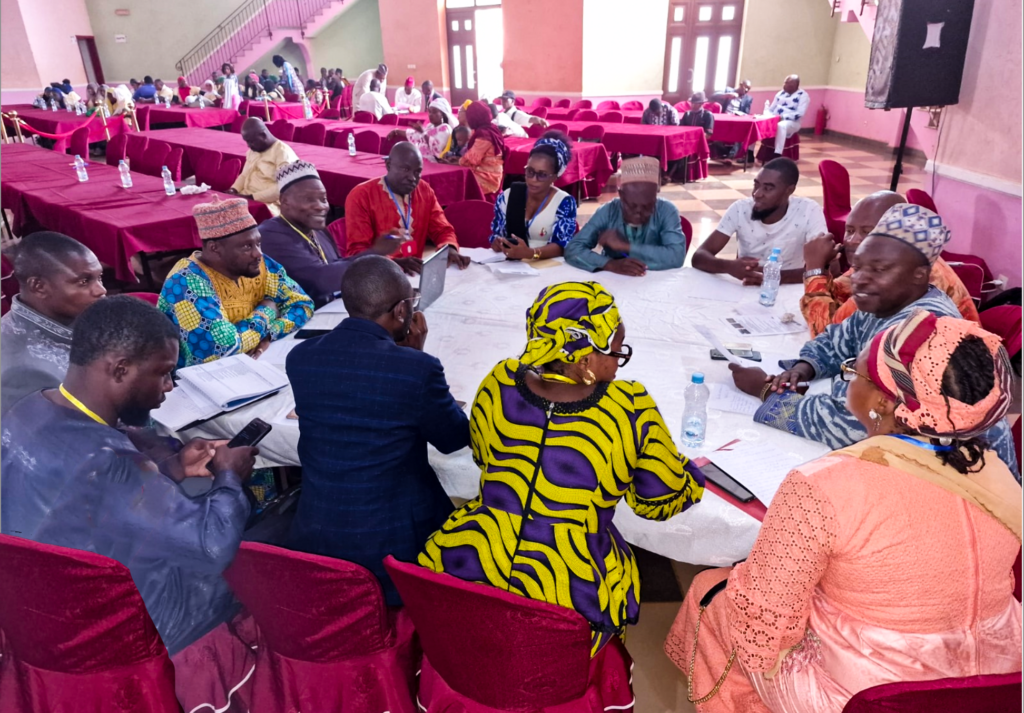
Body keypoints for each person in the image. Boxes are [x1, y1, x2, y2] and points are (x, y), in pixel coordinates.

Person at [666, 309, 1022, 713]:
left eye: (854, 373)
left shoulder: (825, 485)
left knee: (712, 592)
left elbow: (764, 626)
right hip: (998, 685)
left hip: (872, 697)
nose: (849, 382)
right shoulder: (999, 475)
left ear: (882, 402)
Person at [0, 296, 259, 711]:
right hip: (143, 632)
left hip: (46, 618)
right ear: (120, 369)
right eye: (163, 372)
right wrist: (230, 476)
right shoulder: (110, 460)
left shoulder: (28, 408)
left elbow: (82, 498)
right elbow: (211, 546)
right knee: (250, 563)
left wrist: (171, 469)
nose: (169, 386)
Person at [419, 282, 705, 655]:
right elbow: (658, 502)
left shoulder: (500, 381)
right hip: (571, 590)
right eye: (616, 352)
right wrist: (688, 472)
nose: (618, 362)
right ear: (584, 358)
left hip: (471, 563)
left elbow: (483, 456)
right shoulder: (629, 407)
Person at [727, 203, 1019, 480]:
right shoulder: (887, 302)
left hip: (966, 485)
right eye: (858, 268)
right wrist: (803, 368)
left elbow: (853, 424)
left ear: (920, 274)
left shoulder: (918, 335)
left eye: (879, 270)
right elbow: (836, 339)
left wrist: (765, 390)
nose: (860, 280)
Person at [287, 255, 469, 605]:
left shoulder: (301, 357)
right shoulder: (417, 370)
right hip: (394, 548)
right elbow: (453, 439)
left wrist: (408, 361)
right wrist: (415, 356)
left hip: (317, 532)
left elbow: (357, 392)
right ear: (401, 311)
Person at [159, 197, 313, 367]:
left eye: (258, 243)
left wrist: (269, 333)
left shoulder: (258, 265)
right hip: (198, 378)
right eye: (247, 246)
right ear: (214, 248)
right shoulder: (186, 281)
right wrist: (267, 311)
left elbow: (303, 305)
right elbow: (222, 350)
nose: (258, 253)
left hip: (251, 365)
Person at [801, 191, 980, 338]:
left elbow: (827, 334)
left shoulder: (900, 272)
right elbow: (841, 295)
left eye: (867, 231)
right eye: (849, 230)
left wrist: (814, 269)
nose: (852, 240)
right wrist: (825, 270)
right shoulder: (892, 254)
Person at [1, 232, 106, 416]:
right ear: (39, 287)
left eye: (99, 278)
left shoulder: (77, 314)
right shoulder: (23, 371)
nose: (101, 290)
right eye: (84, 281)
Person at [692, 157, 827, 284]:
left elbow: (829, 268)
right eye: (756, 185)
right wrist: (729, 266)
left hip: (790, 289)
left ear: (789, 190)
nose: (757, 194)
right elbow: (699, 257)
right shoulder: (740, 209)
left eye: (767, 188)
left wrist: (771, 277)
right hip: (746, 287)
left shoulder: (808, 210)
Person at [344, 142, 470, 272]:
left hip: (415, 274)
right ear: (388, 165)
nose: (412, 178)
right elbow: (357, 252)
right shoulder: (362, 196)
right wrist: (393, 263)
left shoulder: (424, 190)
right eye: (405, 169)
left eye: (417, 171)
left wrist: (449, 248)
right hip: (377, 275)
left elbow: (442, 229)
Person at [565, 156, 686, 275]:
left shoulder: (667, 210)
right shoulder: (608, 211)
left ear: (655, 197)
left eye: (647, 206)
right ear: (621, 196)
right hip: (614, 280)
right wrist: (610, 264)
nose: (639, 212)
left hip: (657, 281)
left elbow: (676, 257)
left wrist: (626, 246)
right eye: (632, 206)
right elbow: (573, 249)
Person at [259, 161, 352, 308]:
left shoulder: (316, 228)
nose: (320, 206)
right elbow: (320, 281)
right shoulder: (269, 235)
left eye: (323, 199)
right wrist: (375, 255)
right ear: (284, 201)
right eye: (309, 199)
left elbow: (336, 264)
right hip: (293, 317)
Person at [489, 132, 577, 260]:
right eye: (530, 171)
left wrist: (530, 253)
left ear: (555, 176)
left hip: (549, 265)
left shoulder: (564, 202)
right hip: (511, 264)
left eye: (542, 175)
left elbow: (562, 245)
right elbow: (497, 233)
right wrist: (497, 242)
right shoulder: (508, 196)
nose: (533, 179)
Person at [228, 117, 300, 216]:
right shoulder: (254, 150)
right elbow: (244, 175)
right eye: (247, 141)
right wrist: (233, 189)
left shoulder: (283, 153)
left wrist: (252, 197)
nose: (248, 145)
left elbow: (283, 188)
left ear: (263, 135)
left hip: (269, 205)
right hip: (245, 198)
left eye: (251, 141)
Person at [460, 100, 507, 197]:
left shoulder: (484, 135)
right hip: (487, 170)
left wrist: (455, 161)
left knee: (457, 182)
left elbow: (471, 159)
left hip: (488, 177)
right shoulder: (490, 128)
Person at [766, 74, 809, 157]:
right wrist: (768, 115)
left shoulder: (803, 95)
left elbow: (800, 113)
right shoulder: (780, 93)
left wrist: (782, 117)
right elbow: (771, 109)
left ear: (795, 85)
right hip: (775, 118)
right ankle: (750, 154)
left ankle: (777, 153)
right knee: (757, 123)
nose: (784, 85)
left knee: (781, 125)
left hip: (792, 122)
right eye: (784, 82)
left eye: (787, 83)